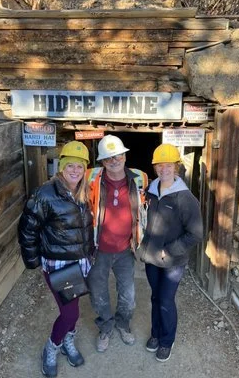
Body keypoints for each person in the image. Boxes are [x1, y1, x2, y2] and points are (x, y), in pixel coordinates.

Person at [18, 141, 94, 378]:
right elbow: (27, 229)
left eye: (79, 167)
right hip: (59, 265)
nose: (74, 171)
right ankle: (52, 347)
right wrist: (33, 261)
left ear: (84, 170)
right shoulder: (45, 193)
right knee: (70, 314)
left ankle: (67, 341)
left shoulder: (83, 192)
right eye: (69, 165)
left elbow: (84, 227)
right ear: (61, 167)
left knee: (74, 309)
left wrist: (90, 252)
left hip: (80, 262)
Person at [140, 143, 203, 363]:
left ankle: (167, 340)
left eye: (169, 165)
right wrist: (141, 244)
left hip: (172, 261)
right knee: (155, 297)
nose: (164, 169)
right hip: (151, 258)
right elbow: (145, 220)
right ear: (155, 167)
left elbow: (196, 233)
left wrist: (170, 251)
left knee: (166, 300)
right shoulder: (150, 190)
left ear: (176, 167)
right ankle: (156, 334)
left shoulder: (185, 198)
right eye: (160, 165)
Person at [86, 134, 148, 352]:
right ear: (102, 161)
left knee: (128, 296)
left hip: (125, 250)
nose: (114, 160)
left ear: (124, 156)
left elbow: (147, 209)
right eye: (109, 158)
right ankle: (106, 327)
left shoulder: (140, 178)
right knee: (98, 293)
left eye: (118, 155)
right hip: (98, 250)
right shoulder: (91, 178)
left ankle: (123, 324)